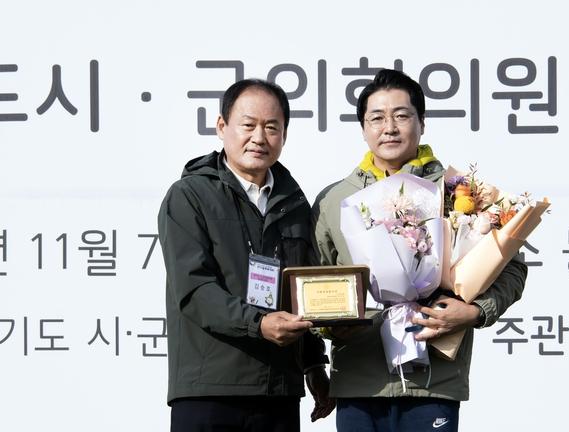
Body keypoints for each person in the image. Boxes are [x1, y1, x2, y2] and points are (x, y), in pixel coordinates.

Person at [312, 69, 528, 432]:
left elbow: (512, 268)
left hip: (434, 381)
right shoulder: (334, 200)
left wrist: (474, 312)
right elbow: (314, 279)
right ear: (363, 128)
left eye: (401, 115)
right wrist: (328, 327)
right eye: (377, 118)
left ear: (422, 123)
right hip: (359, 380)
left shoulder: (460, 192)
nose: (389, 128)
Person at [158, 78, 334, 432]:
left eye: (272, 127)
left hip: (278, 390)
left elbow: (304, 290)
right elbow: (194, 290)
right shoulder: (189, 196)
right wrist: (259, 324)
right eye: (248, 125)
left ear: (284, 134)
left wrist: (314, 364)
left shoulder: (294, 203)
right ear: (221, 126)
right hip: (210, 389)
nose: (259, 137)